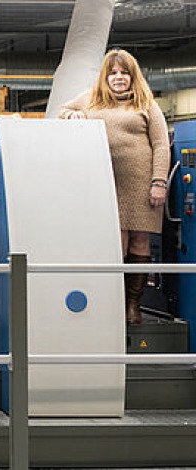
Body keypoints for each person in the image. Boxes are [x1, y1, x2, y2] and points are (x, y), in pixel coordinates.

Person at [60, 48, 170, 325]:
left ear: (133, 76)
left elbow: (160, 144)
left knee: (140, 241)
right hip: (105, 184)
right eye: (113, 73)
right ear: (105, 77)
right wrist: (72, 116)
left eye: (124, 73)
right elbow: (62, 110)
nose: (119, 77)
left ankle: (133, 305)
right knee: (115, 243)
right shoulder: (92, 99)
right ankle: (114, 303)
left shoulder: (146, 103)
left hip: (141, 184)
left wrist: (158, 181)